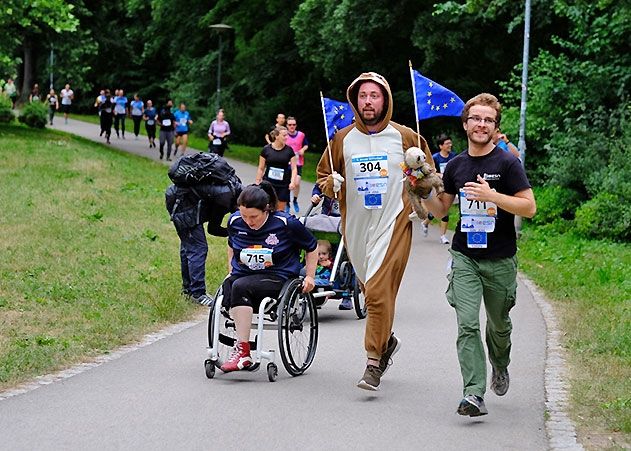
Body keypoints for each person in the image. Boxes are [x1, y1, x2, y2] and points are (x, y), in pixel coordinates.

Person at [316, 72, 434, 391]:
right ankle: (387, 341)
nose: (368, 101)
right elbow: (324, 175)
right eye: (363, 96)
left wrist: (421, 184)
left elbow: (426, 173)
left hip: (394, 223)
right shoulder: (341, 139)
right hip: (355, 227)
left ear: (386, 100)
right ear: (355, 100)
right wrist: (331, 184)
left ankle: (372, 362)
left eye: (375, 96)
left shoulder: (406, 136)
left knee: (379, 294)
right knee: (372, 294)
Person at [421, 93, 536, 417]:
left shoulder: (507, 163)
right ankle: (473, 393)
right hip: (465, 256)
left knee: (498, 327)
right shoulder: (457, 165)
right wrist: (424, 192)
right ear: (466, 124)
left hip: (499, 259)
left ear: (496, 129)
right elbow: (441, 209)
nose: (481, 124)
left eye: (488, 120)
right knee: (468, 324)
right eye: (476, 118)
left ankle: (500, 363)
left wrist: (492, 195)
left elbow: (529, 207)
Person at [219, 181, 317, 372]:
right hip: (244, 274)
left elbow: (311, 247)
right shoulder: (234, 221)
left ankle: (243, 352)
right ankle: (242, 340)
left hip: (277, 277)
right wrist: (230, 268)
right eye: (244, 216)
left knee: (239, 286)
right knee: (230, 285)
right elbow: (231, 244)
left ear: (267, 210)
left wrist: (310, 277)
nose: (248, 221)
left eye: (253, 216)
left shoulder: (286, 224)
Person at [165, 169, 240, 306]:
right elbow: (213, 229)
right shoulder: (225, 197)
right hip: (183, 205)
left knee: (188, 247)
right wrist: (233, 232)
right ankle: (198, 294)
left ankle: (188, 290)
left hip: (179, 199)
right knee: (198, 249)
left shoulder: (230, 189)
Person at [421, 134, 457, 244]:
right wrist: (439, 174)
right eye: (447, 144)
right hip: (438, 186)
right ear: (441, 146)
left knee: (444, 210)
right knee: (441, 211)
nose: (450, 145)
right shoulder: (435, 158)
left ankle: (429, 225)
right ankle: (442, 235)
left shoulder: (454, 156)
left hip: (450, 187)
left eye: (450, 143)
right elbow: (429, 171)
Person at [256, 126, 297, 213]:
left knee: (280, 211)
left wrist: (293, 181)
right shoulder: (266, 149)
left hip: (283, 185)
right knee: (265, 208)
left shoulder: (289, 151)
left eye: (287, 135)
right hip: (268, 184)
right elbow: (261, 168)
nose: (286, 138)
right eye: (284, 135)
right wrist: (258, 180)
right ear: (277, 136)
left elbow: (294, 168)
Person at [285, 116, 309, 214]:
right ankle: (287, 202)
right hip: (286, 163)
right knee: (287, 183)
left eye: (294, 125)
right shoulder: (284, 135)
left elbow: (306, 144)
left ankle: (294, 199)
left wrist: (303, 150)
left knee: (297, 183)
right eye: (290, 125)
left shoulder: (301, 135)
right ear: (286, 126)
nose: (292, 126)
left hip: (298, 163)